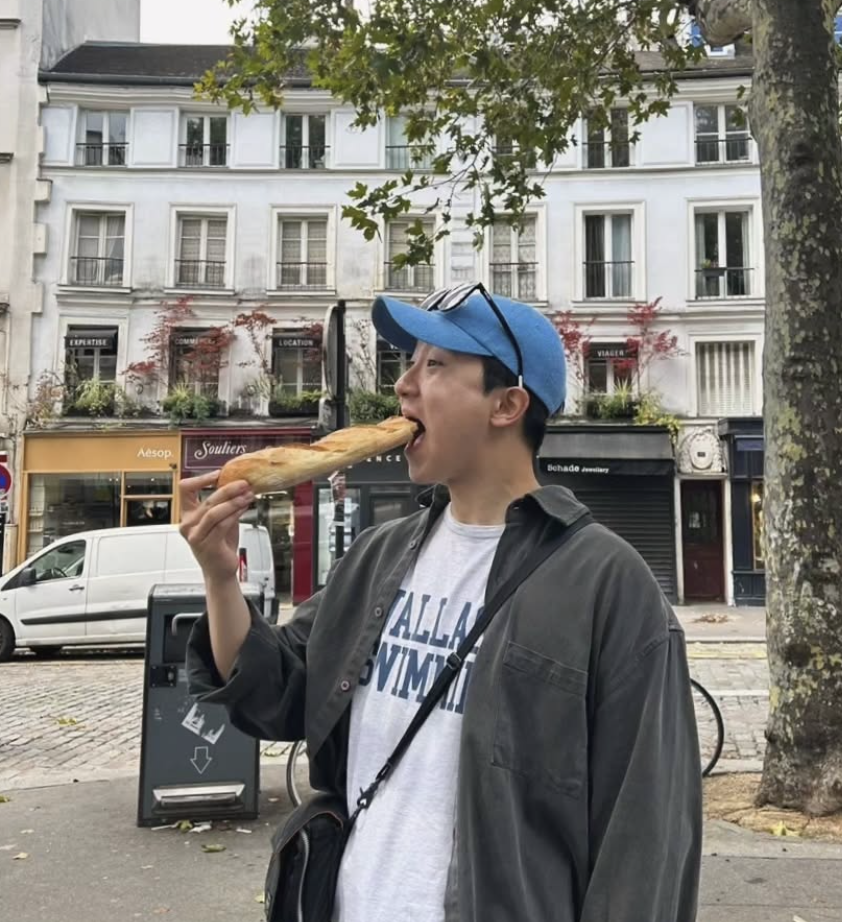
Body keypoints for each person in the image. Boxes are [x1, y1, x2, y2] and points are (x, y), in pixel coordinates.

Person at [182, 282, 702, 922]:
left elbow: (645, 842)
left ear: (506, 405)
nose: (403, 386)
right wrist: (220, 578)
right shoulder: (378, 555)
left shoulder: (609, 584)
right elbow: (276, 692)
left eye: (435, 365)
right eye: (409, 364)